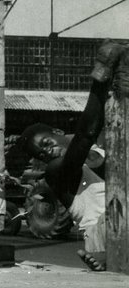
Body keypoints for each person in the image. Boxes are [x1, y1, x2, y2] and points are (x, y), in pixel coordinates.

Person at [14, 40, 126, 272]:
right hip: (102, 231)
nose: (48, 152)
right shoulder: (57, 172)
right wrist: (99, 82)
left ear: (57, 132)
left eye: (47, 143)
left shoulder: (106, 147)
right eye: (41, 154)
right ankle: (109, 255)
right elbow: (85, 133)